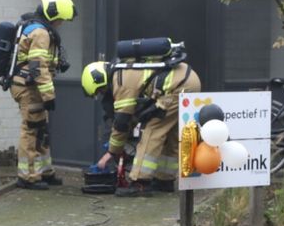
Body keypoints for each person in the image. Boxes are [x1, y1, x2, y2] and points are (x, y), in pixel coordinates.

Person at [81, 54, 201, 197]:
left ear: (100, 80)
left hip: (179, 87)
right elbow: (132, 117)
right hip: (189, 81)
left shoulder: (120, 82)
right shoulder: (122, 72)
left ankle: (140, 182)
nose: (103, 94)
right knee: (171, 133)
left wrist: (112, 152)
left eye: (100, 91)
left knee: (152, 129)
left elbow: (121, 123)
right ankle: (165, 180)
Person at [10, 0, 75, 190]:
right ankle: (28, 177)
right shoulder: (41, 33)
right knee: (31, 130)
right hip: (29, 88)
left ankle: (44, 171)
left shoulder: (40, 30)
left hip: (33, 87)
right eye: (61, 19)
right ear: (53, 15)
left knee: (41, 130)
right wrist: (49, 96)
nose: (61, 23)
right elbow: (37, 66)